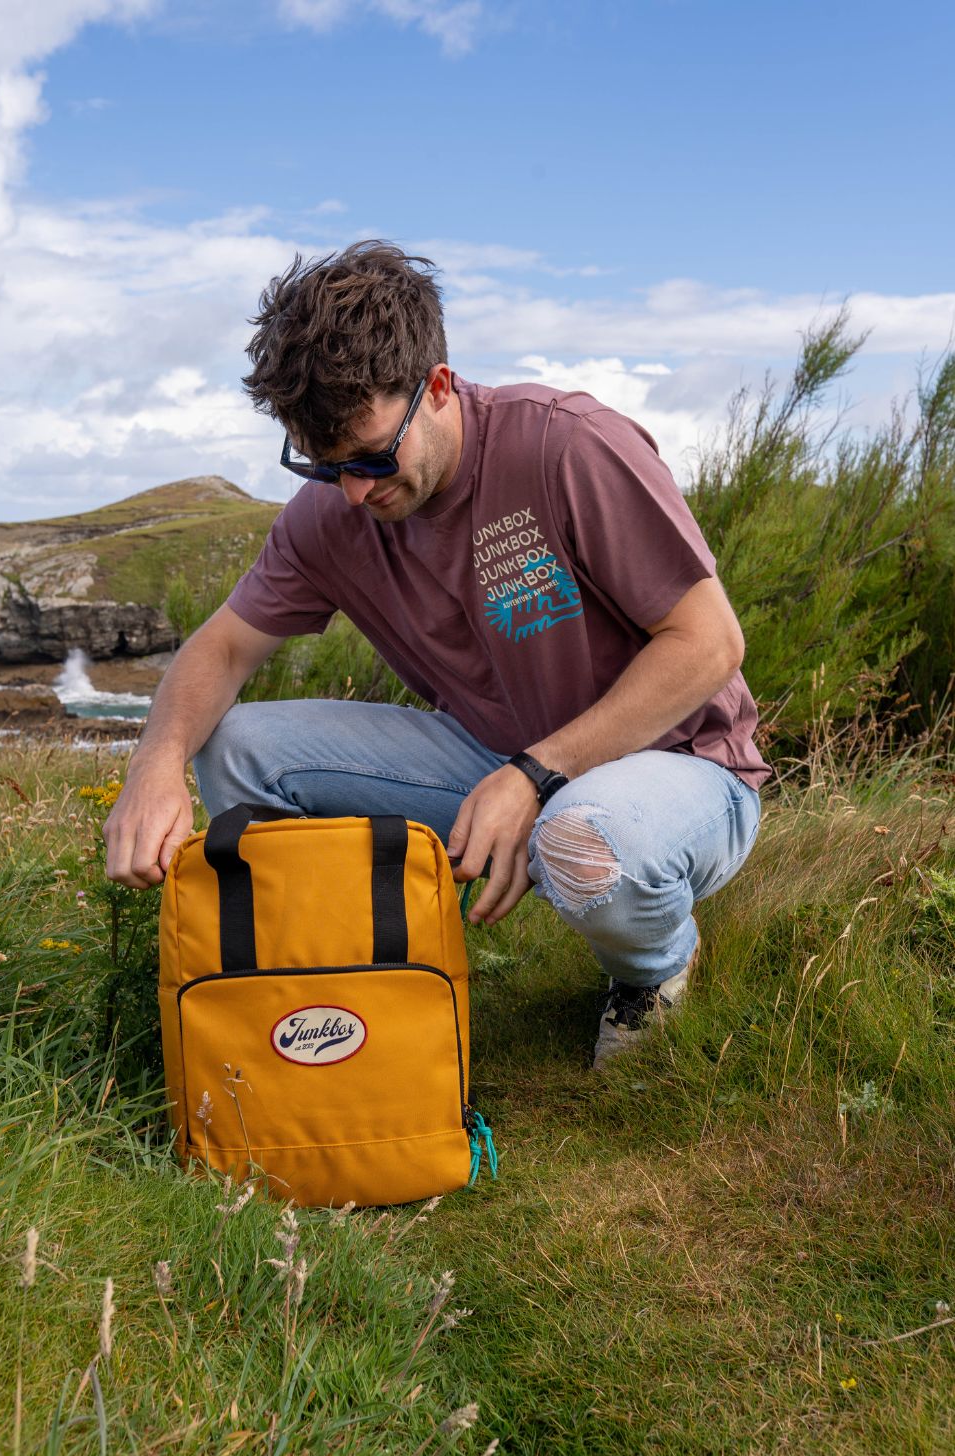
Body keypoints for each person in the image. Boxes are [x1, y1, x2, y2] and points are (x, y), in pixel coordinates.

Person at [104, 241, 769, 1067]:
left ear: (440, 385)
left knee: (579, 837)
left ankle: (652, 971)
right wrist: (154, 764)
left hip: (678, 765)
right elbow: (224, 645)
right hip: (488, 758)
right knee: (234, 747)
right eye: (321, 465)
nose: (353, 492)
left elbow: (709, 645)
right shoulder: (332, 511)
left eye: (372, 457)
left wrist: (537, 774)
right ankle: (332, 979)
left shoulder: (566, 446)